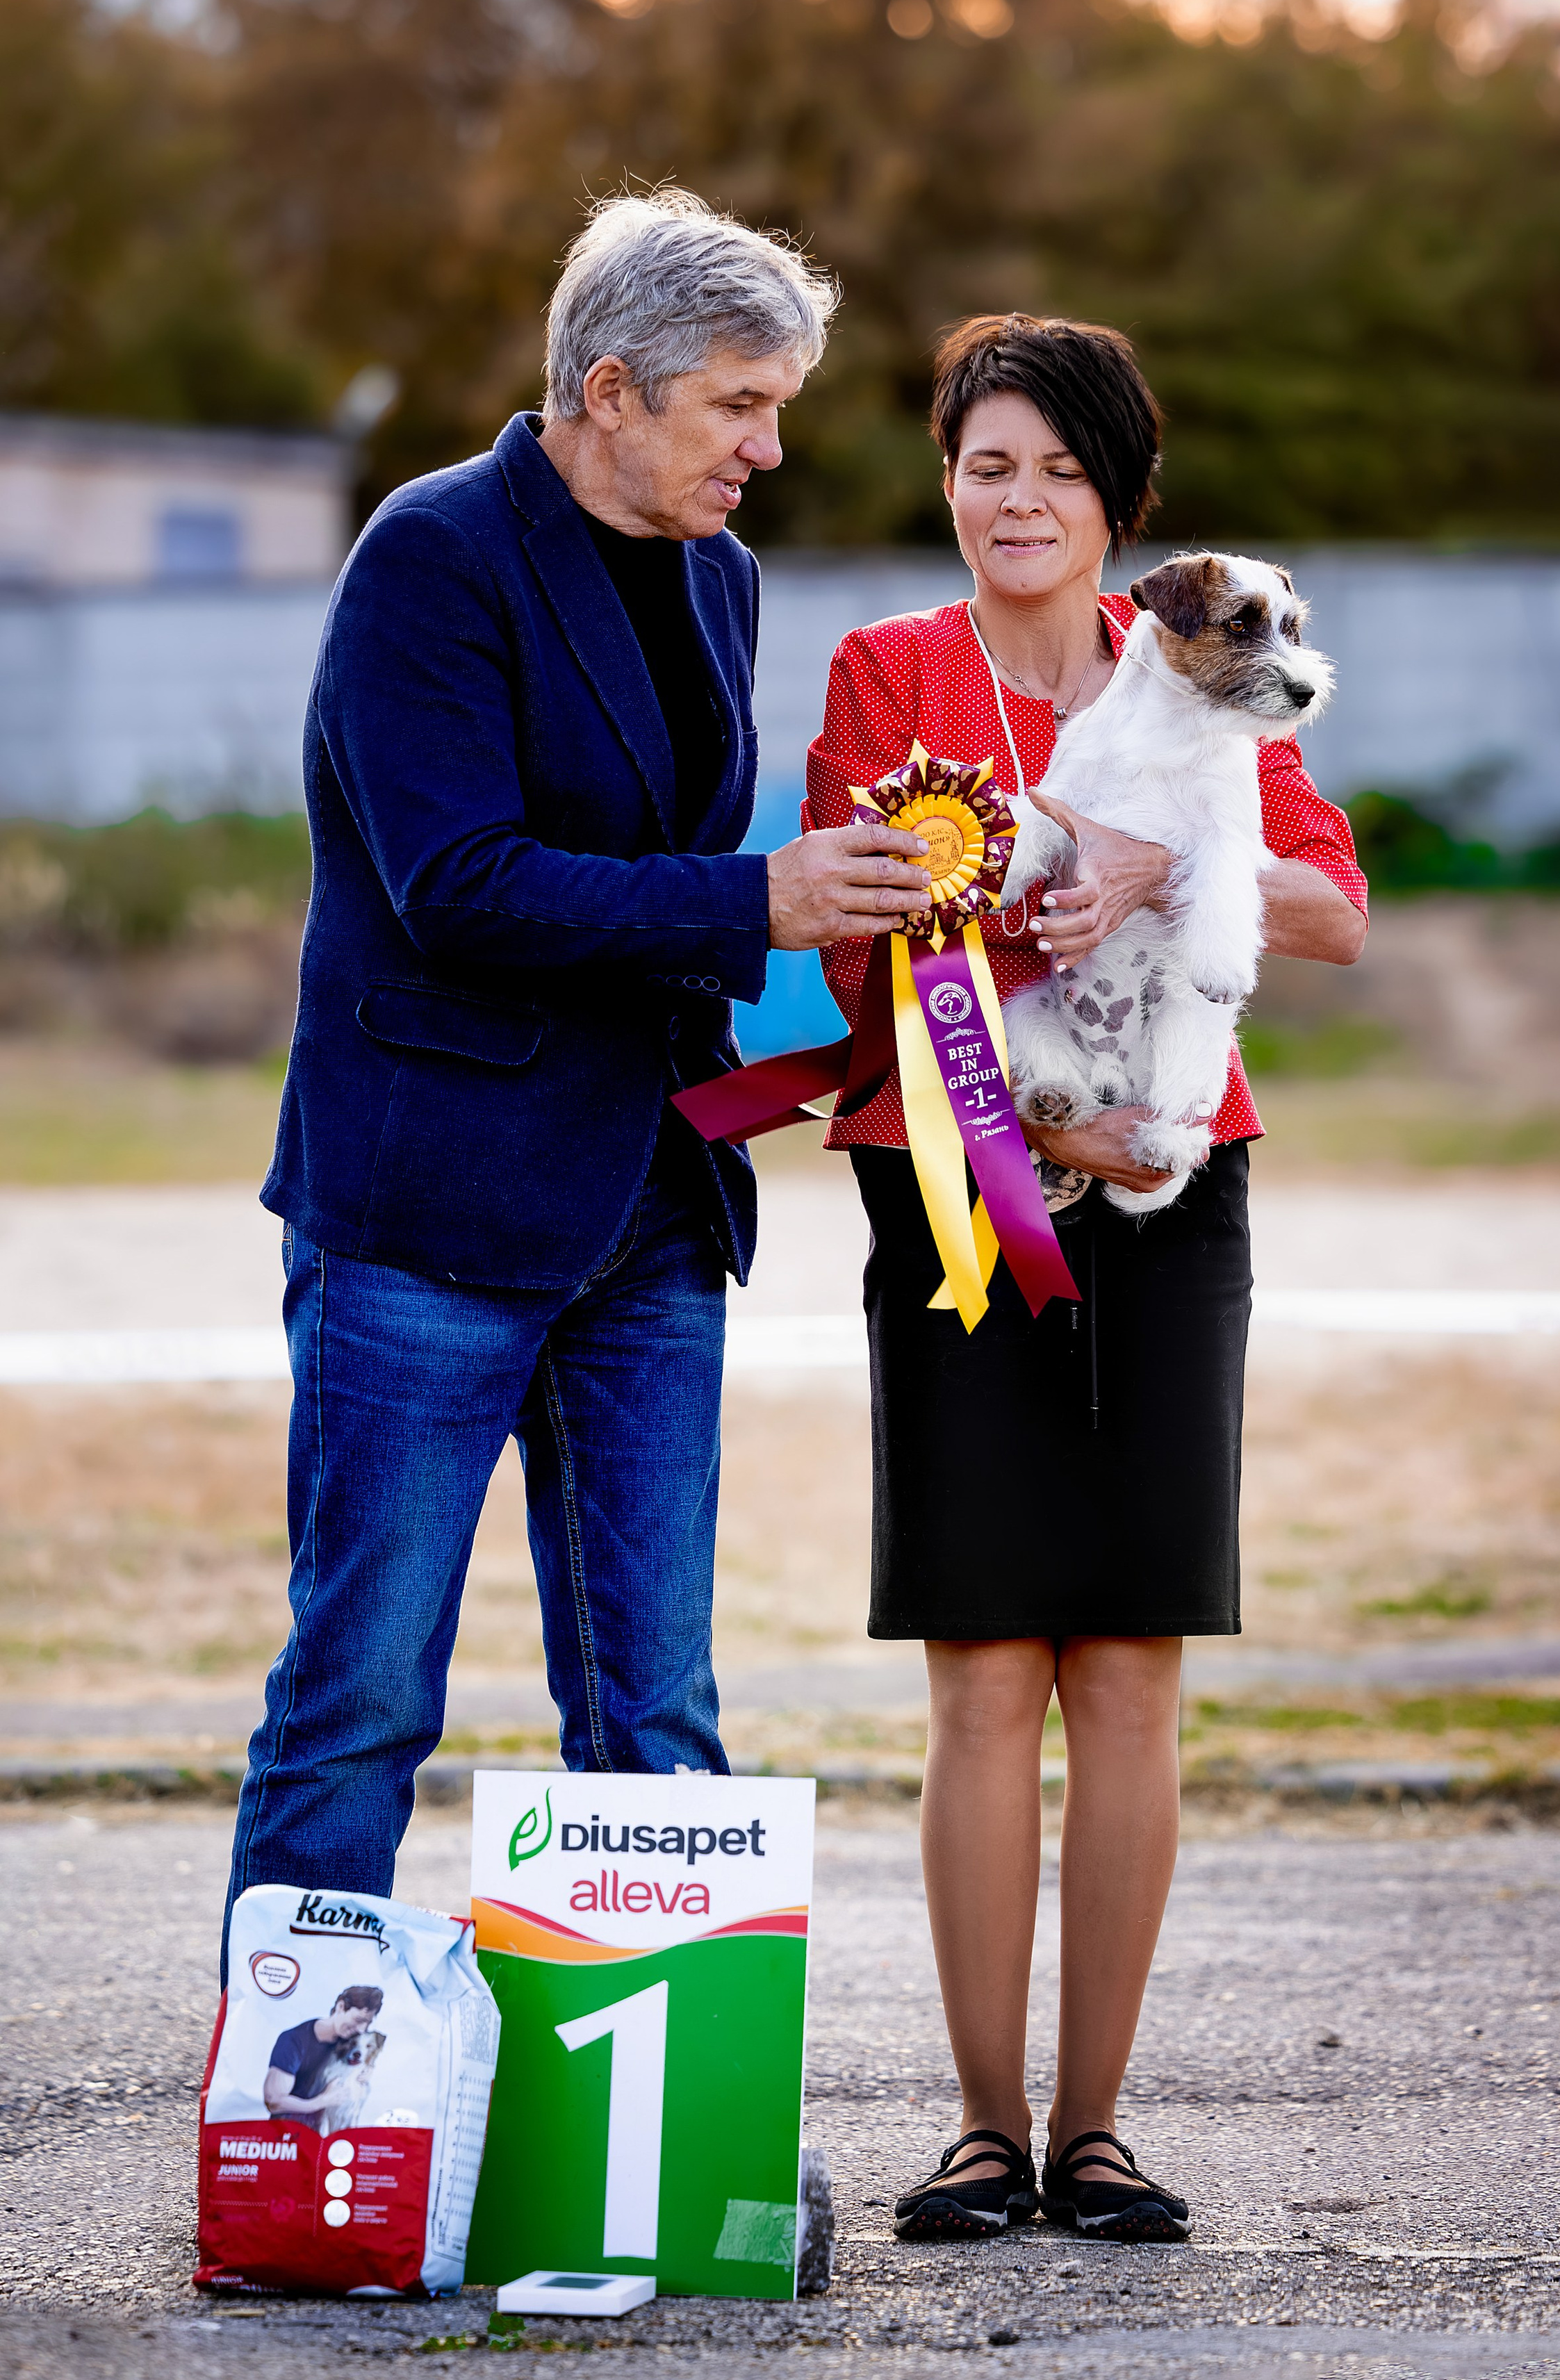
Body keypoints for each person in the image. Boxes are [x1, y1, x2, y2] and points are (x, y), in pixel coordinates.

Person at [222, 190, 934, 1976]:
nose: (770, 450)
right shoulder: (429, 552)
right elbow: (450, 881)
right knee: (361, 1694)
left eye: (777, 408)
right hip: (425, 1219)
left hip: (651, 1216)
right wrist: (747, 897)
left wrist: (804, 945)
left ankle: (643, 2155)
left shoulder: (720, 572)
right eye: (739, 408)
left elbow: (658, 872)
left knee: (655, 1705)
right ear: (609, 390)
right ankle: (288, 2146)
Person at [805, 313, 1368, 2243]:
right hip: (957, 1187)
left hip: (1169, 1188)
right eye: (983, 464)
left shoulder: (1211, 660)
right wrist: (1028, 1129)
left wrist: (1147, 863)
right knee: (980, 1669)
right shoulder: (886, 673)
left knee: (1127, 1671)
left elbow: (1332, 910)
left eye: (1054, 467)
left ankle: (1095, 2130)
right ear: (946, 484)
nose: (1013, 498)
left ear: (1119, 501)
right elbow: (855, 939)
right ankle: (978, 2131)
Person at [263, 1985, 384, 2131]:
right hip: (288, 2135)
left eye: (368, 2023)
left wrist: (368, 2068)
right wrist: (321, 2102)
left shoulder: (352, 2042)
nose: (361, 2029)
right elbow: (274, 2101)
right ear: (341, 2006)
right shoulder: (294, 2040)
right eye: (358, 2020)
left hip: (328, 2139)